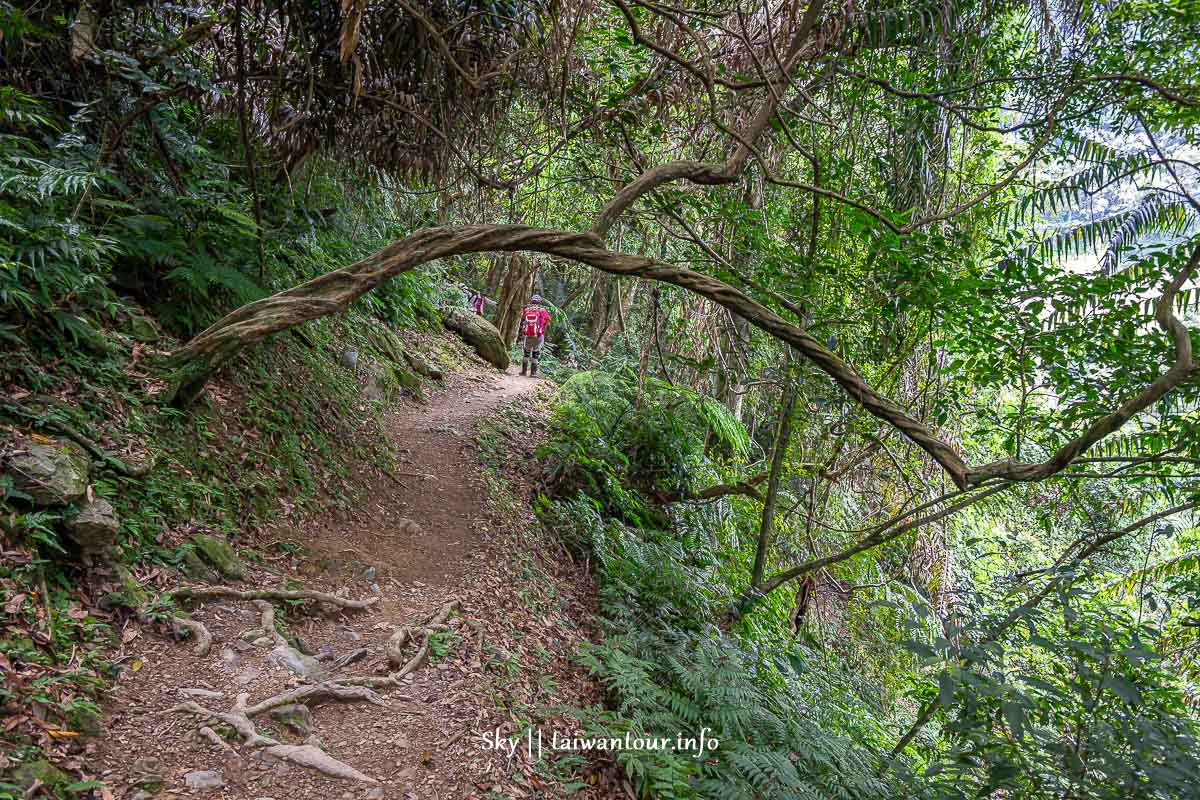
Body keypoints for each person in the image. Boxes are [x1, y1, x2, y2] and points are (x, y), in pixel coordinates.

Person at [519, 294, 551, 377]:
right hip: (538, 336)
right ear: (539, 302)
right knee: (535, 353)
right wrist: (542, 328)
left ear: (531, 301)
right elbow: (548, 320)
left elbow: (523, 320)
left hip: (528, 335)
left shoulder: (527, 310)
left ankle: (524, 371)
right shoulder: (542, 310)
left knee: (526, 353)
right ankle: (533, 373)